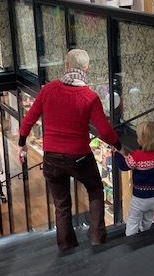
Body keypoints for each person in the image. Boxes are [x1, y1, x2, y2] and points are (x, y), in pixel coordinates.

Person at [18, 49, 123, 251]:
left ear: (65, 65)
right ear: (88, 69)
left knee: (61, 204)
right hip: (79, 157)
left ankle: (66, 245)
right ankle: (97, 236)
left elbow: (29, 119)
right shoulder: (89, 97)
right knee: (95, 190)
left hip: (52, 157)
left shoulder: (48, 89)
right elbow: (105, 130)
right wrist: (118, 147)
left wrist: (22, 143)